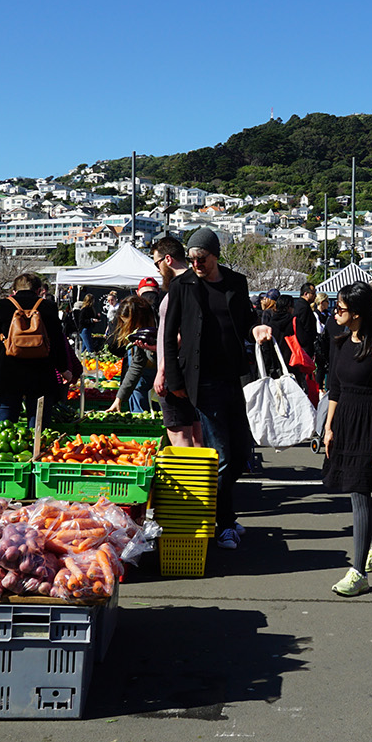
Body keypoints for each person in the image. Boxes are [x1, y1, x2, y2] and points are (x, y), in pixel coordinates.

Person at [161, 227, 274, 550]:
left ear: (215, 256)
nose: (196, 264)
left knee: (241, 453)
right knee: (221, 455)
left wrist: (258, 329)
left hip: (232, 378)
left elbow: (247, 320)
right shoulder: (181, 285)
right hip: (200, 380)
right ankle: (221, 522)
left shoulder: (236, 283)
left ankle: (221, 513)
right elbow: (170, 337)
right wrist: (175, 382)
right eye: (192, 258)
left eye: (202, 259)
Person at [320, 282, 372, 597]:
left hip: (370, 424)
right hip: (344, 423)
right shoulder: (341, 342)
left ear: (356, 313)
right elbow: (335, 391)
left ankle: (359, 572)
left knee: (359, 491)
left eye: (340, 308)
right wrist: (328, 428)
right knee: (358, 490)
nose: (335, 312)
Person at [0, 272, 68, 425]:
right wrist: (63, 368)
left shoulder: (2, 305)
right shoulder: (48, 307)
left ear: (14, 291)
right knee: (38, 419)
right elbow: (58, 340)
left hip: (8, 368)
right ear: (39, 291)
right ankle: (37, 446)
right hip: (41, 368)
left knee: (5, 416)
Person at [150, 235, 202, 447]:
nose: (157, 269)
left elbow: (181, 333)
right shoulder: (197, 282)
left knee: (179, 433)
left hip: (175, 371)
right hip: (191, 370)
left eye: (157, 263)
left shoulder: (180, 287)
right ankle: (204, 478)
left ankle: (188, 479)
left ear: (168, 259)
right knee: (197, 430)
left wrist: (162, 371)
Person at [108, 295, 157, 414]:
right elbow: (137, 365)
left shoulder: (161, 325)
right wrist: (119, 399)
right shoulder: (141, 334)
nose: (132, 329)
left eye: (132, 324)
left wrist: (156, 350)